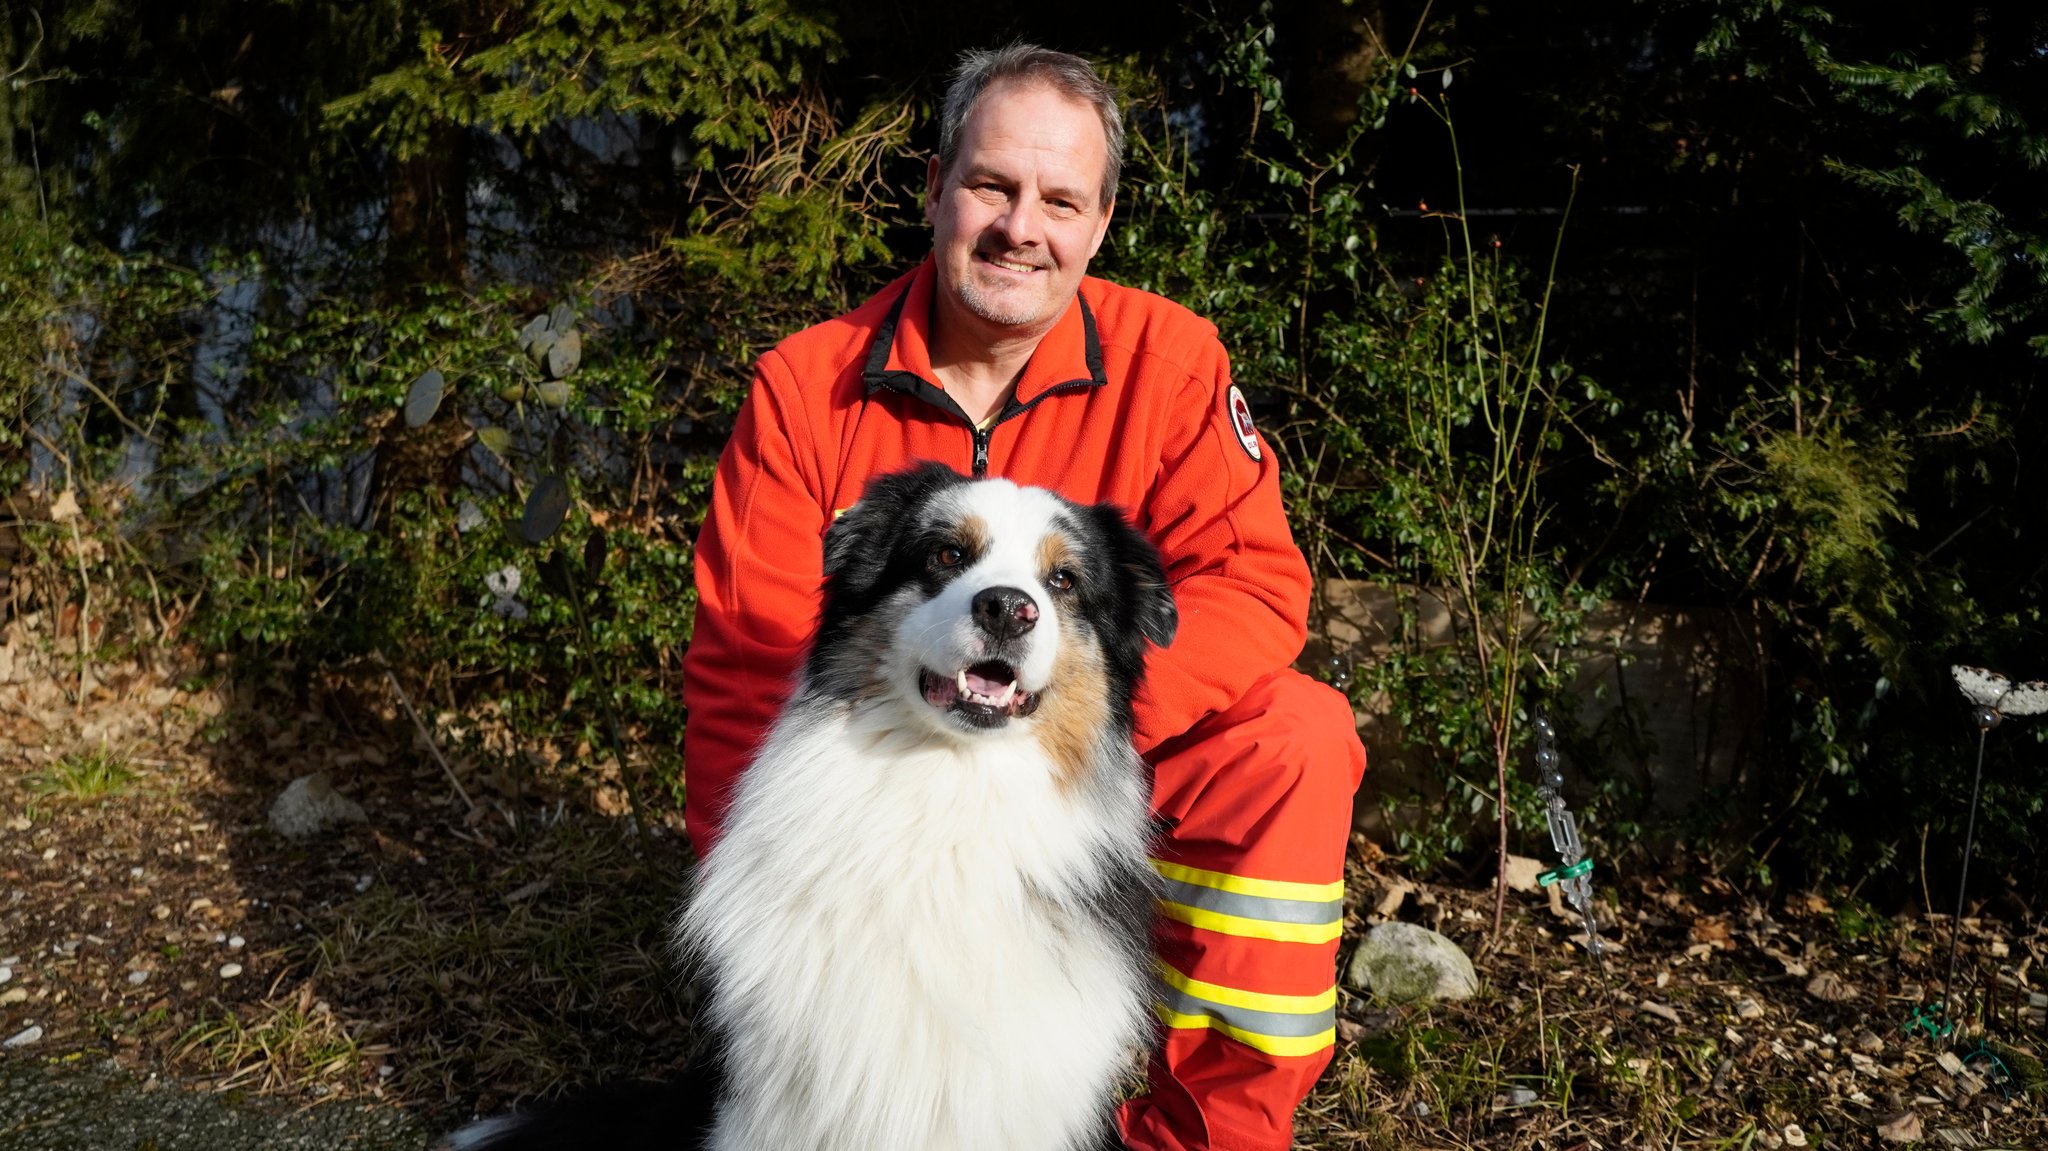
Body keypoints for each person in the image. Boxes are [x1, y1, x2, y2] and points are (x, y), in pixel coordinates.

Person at [680, 43, 1367, 1151]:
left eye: (1059, 199)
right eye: (992, 185)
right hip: (877, 756)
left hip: (1090, 747)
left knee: (1295, 734)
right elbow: (747, 659)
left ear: (1098, 225)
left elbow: (1254, 580)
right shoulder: (806, 386)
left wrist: (1097, 712)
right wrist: (759, 932)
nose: (1020, 226)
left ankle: (1210, 1133)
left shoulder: (1171, 359)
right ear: (936, 188)